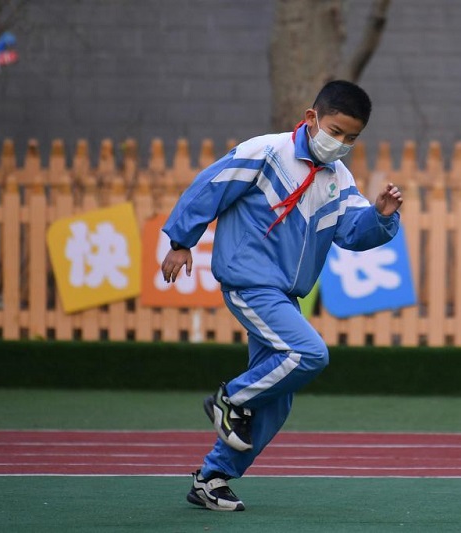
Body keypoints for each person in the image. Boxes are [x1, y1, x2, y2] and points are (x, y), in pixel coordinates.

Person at [160, 80, 403, 511]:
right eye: (335, 131)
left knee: (276, 397)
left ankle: (212, 478)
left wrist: (380, 217)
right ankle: (229, 398)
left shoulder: (337, 178)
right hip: (249, 281)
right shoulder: (267, 152)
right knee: (309, 353)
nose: (341, 143)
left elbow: (350, 232)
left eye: (351, 138)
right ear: (311, 119)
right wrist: (181, 240)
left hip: (283, 296)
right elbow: (208, 187)